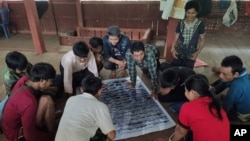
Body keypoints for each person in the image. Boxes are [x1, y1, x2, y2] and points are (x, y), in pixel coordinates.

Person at [2, 62, 58, 141]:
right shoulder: (29, 103)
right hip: (16, 134)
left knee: (46, 99)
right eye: (50, 81)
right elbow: (30, 137)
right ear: (42, 81)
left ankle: (50, 129)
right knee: (47, 101)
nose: (51, 84)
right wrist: (50, 137)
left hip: (10, 126)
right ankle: (53, 134)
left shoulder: (25, 79)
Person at [167, 74, 229, 141]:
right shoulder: (216, 103)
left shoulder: (187, 107)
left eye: (185, 90)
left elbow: (181, 132)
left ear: (192, 93)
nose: (185, 93)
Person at [55, 75, 116, 141]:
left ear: (81, 89)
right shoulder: (100, 106)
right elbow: (112, 135)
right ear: (100, 91)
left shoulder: (71, 99)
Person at [210, 55, 250, 122]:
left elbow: (226, 107)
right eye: (220, 72)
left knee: (213, 104)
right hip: (243, 100)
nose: (220, 75)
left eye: (224, 74)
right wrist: (214, 89)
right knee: (224, 81)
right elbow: (225, 82)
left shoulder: (236, 86)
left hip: (242, 112)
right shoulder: (241, 72)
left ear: (236, 74)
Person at [171, 0, 205, 69]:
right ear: (185, 12)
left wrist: (197, 52)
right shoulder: (181, 23)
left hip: (191, 53)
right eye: (188, 12)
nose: (190, 15)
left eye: (193, 13)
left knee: (188, 71)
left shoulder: (200, 24)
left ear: (197, 13)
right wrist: (173, 48)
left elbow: (202, 40)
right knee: (174, 69)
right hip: (179, 50)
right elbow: (176, 38)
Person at [0, 51, 32, 120]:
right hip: (15, 94)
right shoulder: (8, 77)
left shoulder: (23, 65)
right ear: (12, 69)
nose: (25, 70)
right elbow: (17, 93)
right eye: (21, 69)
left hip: (29, 87)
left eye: (25, 66)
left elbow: (34, 74)